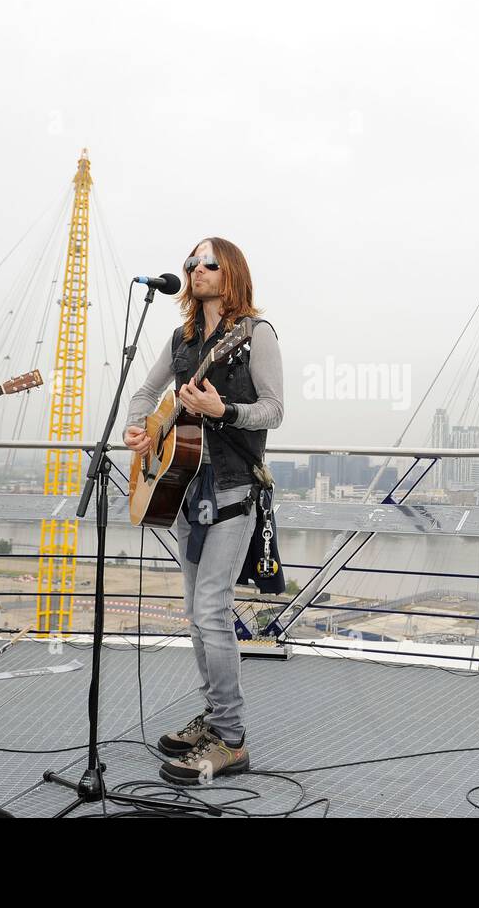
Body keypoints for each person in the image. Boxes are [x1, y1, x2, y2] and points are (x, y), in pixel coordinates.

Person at [123, 237, 283, 785]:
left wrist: (224, 409)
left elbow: (274, 410)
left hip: (235, 491)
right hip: (186, 489)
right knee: (196, 614)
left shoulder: (254, 335)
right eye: (190, 261)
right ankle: (213, 716)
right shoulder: (183, 337)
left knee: (212, 611)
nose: (195, 268)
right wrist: (142, 429)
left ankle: (232, 738)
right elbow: (146, 393)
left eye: (207, 262)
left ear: (232, 271)